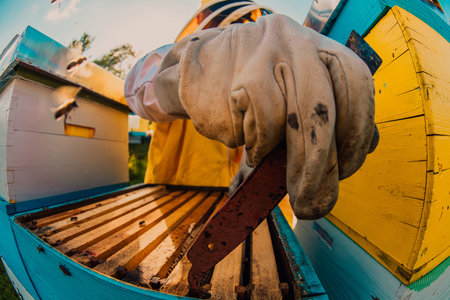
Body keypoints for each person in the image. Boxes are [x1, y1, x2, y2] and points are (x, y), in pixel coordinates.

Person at [125, 12, 376, 220]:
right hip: (172, 199)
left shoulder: (277, 42)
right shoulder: (181, 49)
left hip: (252, 210)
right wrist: (188, 71)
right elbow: (136, 87)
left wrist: (258, 155)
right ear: (204, 15)